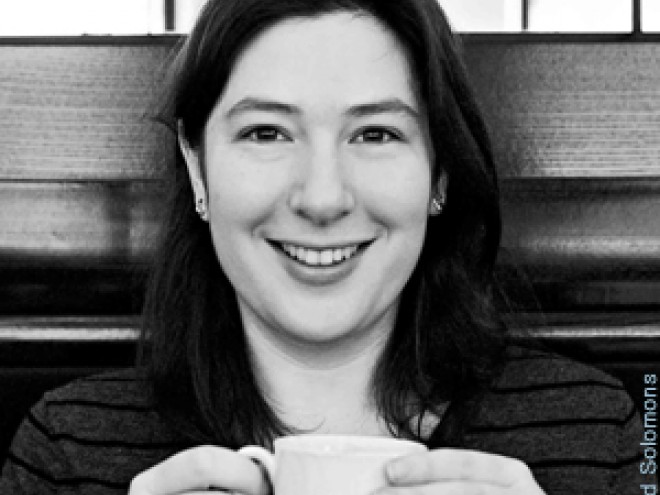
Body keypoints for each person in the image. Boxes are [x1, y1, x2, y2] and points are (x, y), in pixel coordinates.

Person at [0, 0, 650, 493]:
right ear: (198, 169)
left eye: (375, 134)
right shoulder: (66, 451)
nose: (322, 197)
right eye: (266, 132)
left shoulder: (604, 438)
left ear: (440, 174)